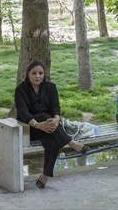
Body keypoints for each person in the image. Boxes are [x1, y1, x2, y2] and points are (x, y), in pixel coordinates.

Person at [15, 60, 90, 188]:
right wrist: (39, 125)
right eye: (34, 73)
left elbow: (55, 107)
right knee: (44, 116)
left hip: (50, 127)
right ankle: (71, 143)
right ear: (28, 74)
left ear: (44, 74)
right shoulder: (21, 90)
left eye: (41, 73)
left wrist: (56, 119)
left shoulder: (51, 87)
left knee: (52, 142)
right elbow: (23, 113)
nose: (38, 76)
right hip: (30, 128)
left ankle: (45, 175)